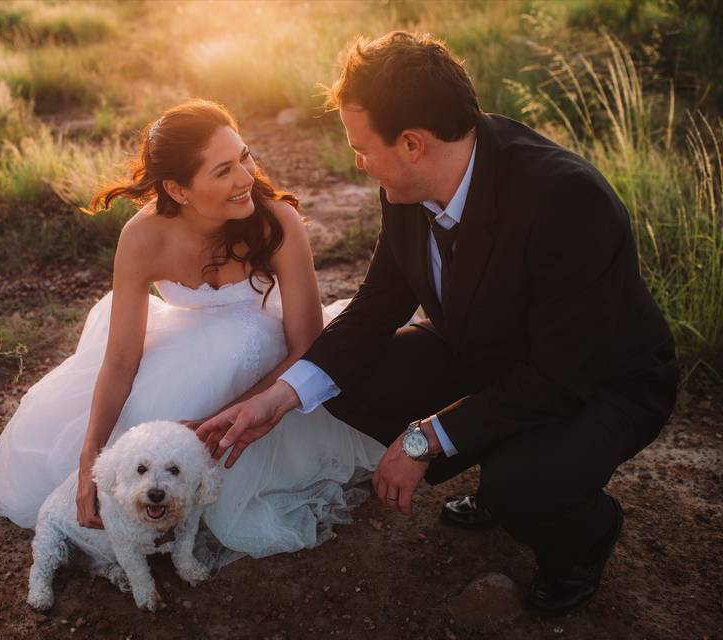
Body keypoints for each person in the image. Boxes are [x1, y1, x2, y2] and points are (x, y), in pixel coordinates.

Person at [197, 32, 679, 614]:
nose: (358, 162)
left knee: (521, 483)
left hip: (604, 381)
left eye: (362, 148)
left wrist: (428, 436)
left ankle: (581, 535)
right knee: (354, 383)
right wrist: (278, 398)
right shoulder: (405, 186)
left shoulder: (566, 200)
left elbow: (559, 376)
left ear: (412, 143)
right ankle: (500, 451)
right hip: (488, 350)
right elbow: (376, 307)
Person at [0, 99, 385, 566]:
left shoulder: (276, 221)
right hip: (183, 350)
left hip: (273, 367)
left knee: (221, 416)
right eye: (222, 171)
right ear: (178, 187)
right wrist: (89, 461)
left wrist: (228, 416)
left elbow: (308, 346)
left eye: (244, 157)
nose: (245, 178)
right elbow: (120, 360)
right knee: (143, 435)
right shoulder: (142, 237)